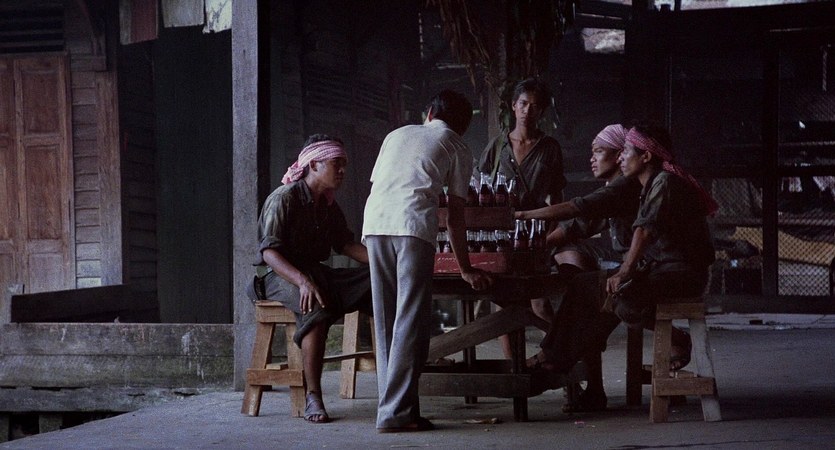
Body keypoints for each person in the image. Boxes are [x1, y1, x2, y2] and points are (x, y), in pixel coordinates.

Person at [527, 124, 717, 403]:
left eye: (625, 152)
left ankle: (557, 361)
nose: (620, 158)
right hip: (661, 270)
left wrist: (624, 272)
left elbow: (644, 230)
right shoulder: (646, 185)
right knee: (587, 286)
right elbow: (580, 225)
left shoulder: (662, 182)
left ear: (646, 156)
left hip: (682, 273)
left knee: (616, 294)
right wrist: (538, 244)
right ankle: (558, 360)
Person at [363, 90, 494, 433]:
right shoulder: (457, 146)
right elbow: (455, 216)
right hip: (412, 227)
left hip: (375, 224)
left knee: (386, 320)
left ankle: (393, 409)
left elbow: (382, 184)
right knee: (410, 322)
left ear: (431, 112)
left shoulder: (396, 135)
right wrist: (465, 268)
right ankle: (396, 413)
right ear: (463, 126)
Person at [246, 134, 373, 424]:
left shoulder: (328, 205)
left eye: (344, 164)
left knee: (376, 280)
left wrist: (386, 262)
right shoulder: (284, 198)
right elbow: (269, 253)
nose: (342, 170)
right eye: (336, 164)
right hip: (276, 275)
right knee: (315, 302)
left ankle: (395, 381)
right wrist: (302, 281)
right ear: (314, 165)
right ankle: (313, 395)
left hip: (314, 273)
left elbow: (344, 245)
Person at [515, 124, 639, 411]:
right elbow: (579, 225)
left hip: (646, 272)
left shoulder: (625, 185)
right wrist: (540, 245)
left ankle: (552, 357)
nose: (591, 159)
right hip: (635, 270)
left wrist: (525, 216)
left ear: (619, 155)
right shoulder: (615, 188)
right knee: (583, 291)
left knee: (585, 291)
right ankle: (578, 376)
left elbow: (577, 208)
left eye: (598, 151)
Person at [476, 78, 567, 357]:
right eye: (524, 103)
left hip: (536, 232)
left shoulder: (549, 147)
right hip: (500, 234)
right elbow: (479, 186)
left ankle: (558, 356)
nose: (528, 110)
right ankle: (513, 366)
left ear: (542, 112)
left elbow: (557, 195)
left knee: (539, 302)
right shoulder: (497, 146)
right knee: (503, 303)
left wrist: (551, 232)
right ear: (514, 106)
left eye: (535, 106)